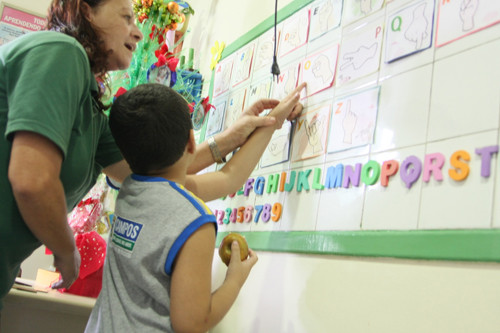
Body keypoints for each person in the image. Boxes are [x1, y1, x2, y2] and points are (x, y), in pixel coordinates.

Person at [0, 0, 304, 312]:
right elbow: (31, 180)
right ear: (87, 11)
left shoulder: (90, 111)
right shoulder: (61, 51)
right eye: (127, 17)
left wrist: (236, 136)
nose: (138, 32)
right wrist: (67, 251)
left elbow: (165, 165)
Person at [85, 82, 306, 332]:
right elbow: (192, 324)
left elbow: (228, 179)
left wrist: (272, 122)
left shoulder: (131, 190)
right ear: (192, 141)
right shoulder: (193, 221)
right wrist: (234, 280)